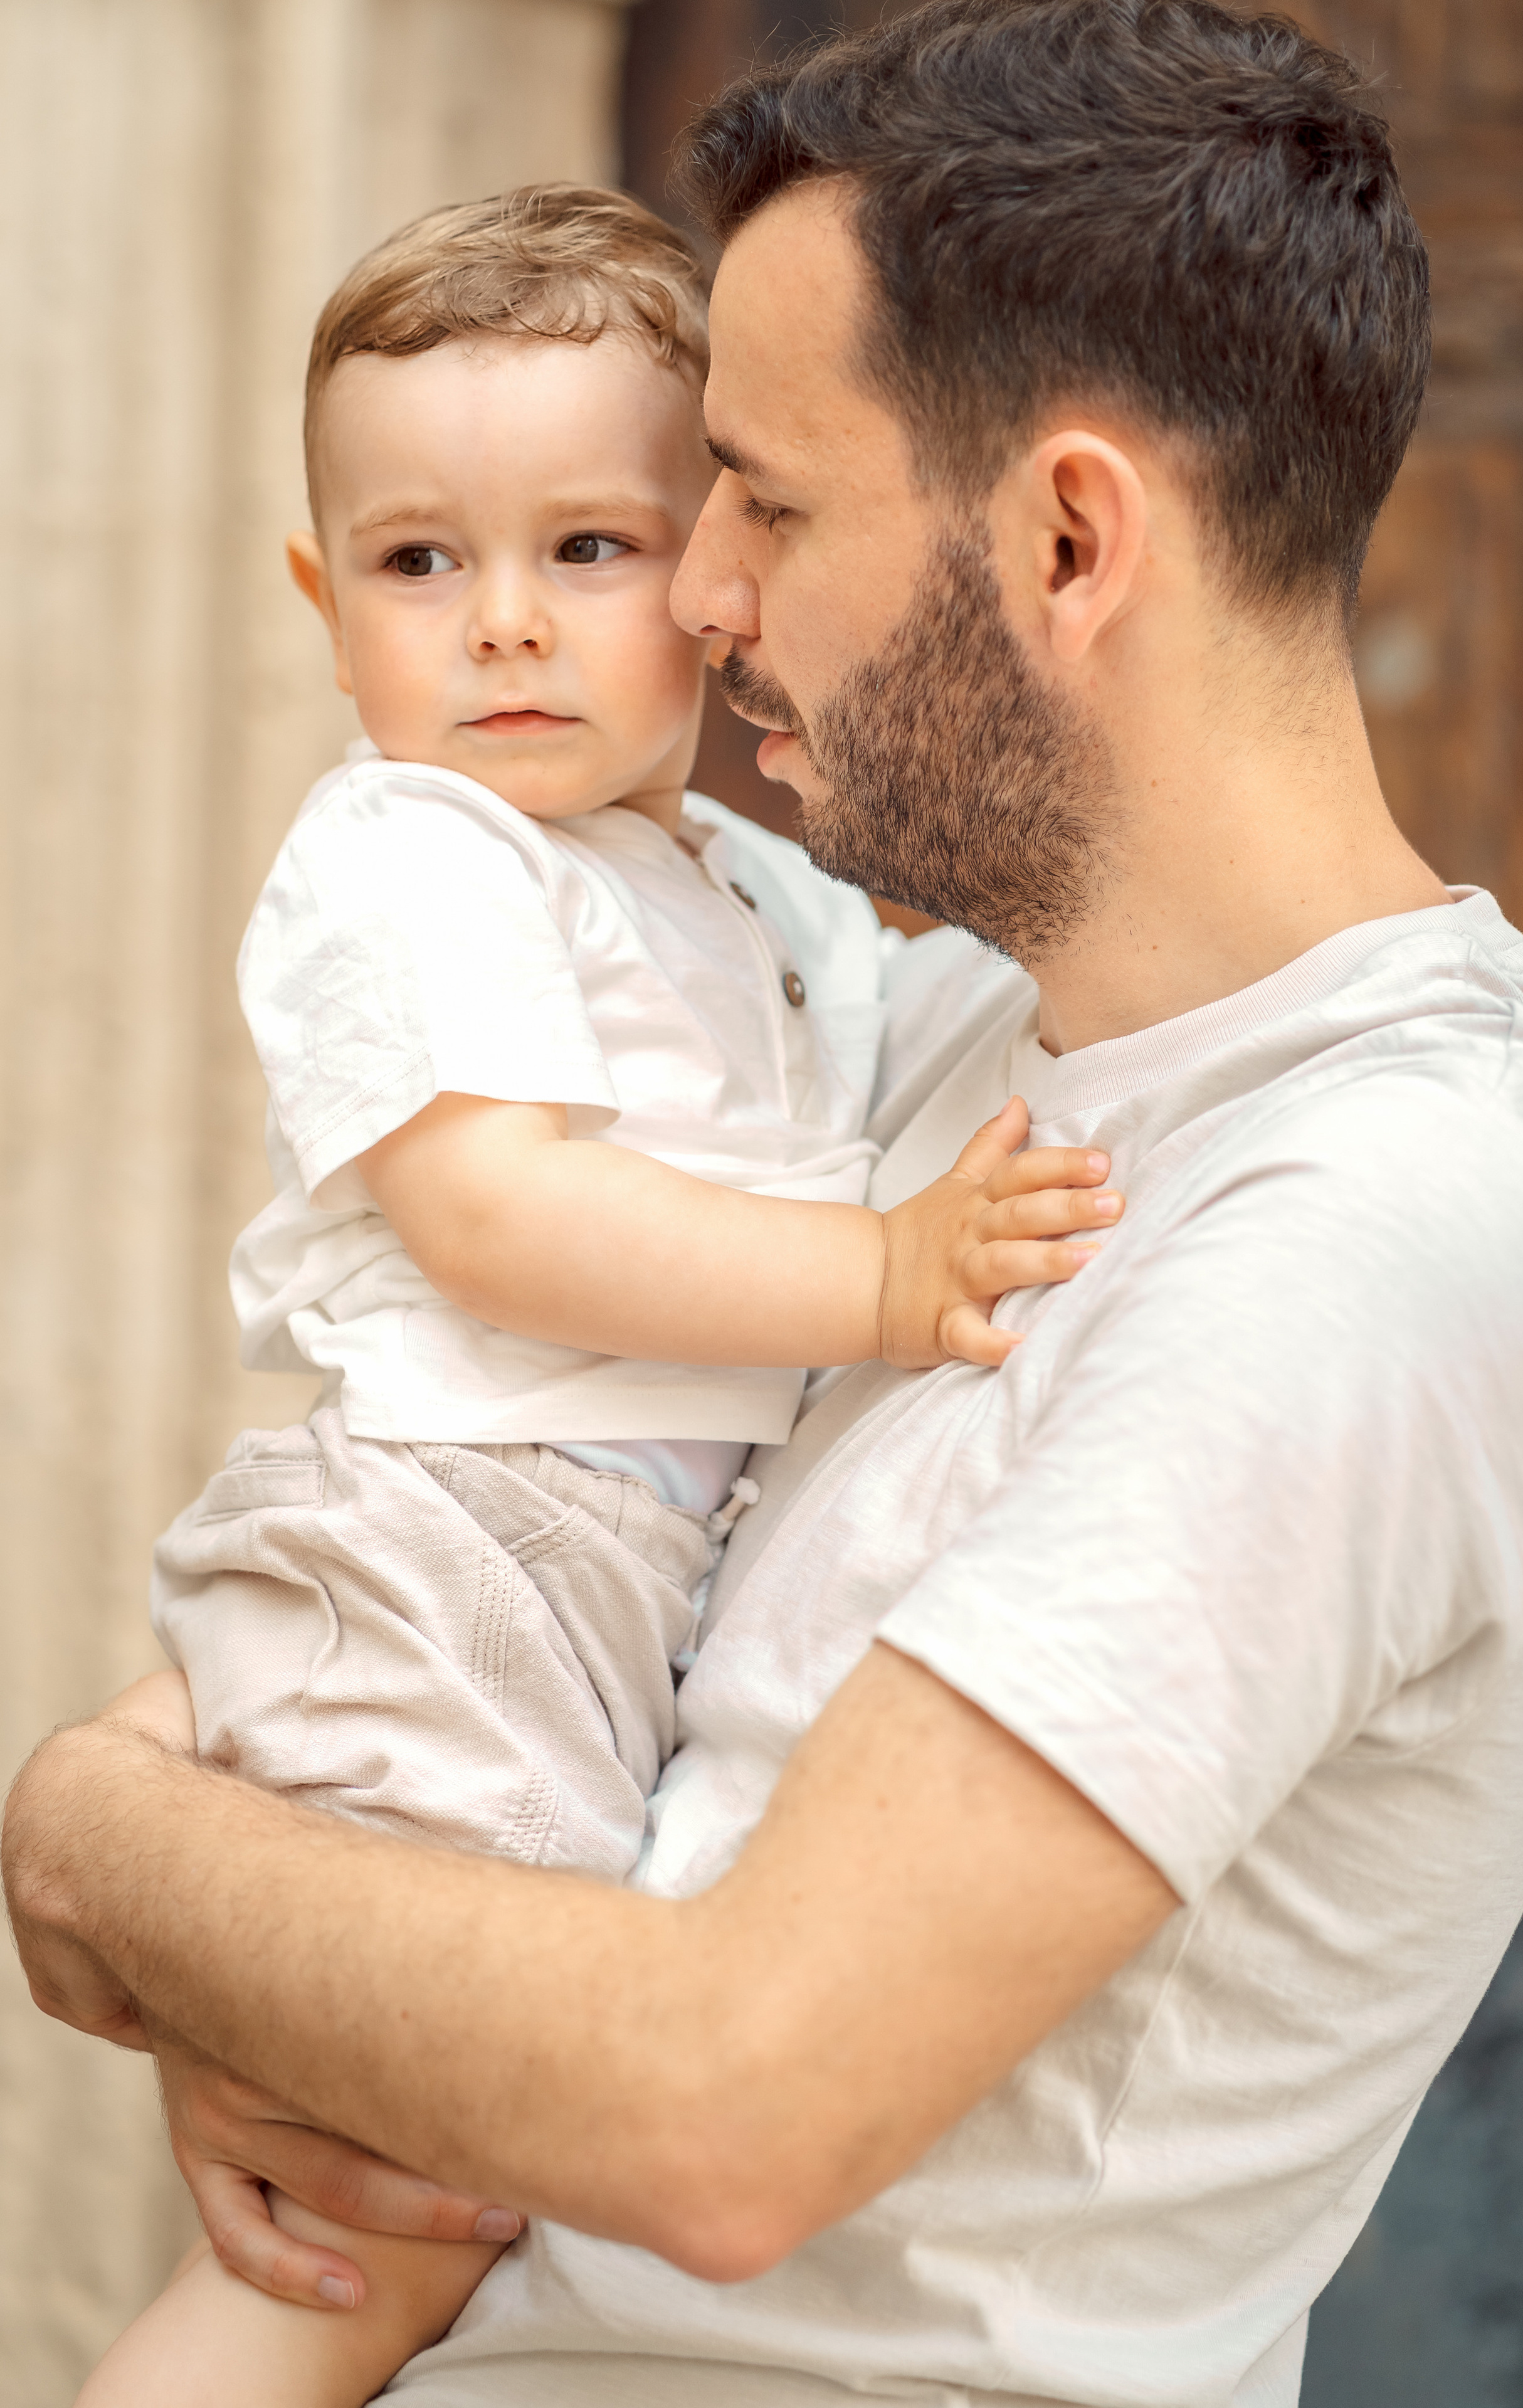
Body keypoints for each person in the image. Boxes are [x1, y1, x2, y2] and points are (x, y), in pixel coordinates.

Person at [8, 4, 1523, 2405]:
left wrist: (99, 1842)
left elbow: (721, 2106)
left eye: (758, 497)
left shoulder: (1380, 1230)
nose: (702, 595)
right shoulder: (948, 1034)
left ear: (1068, 539)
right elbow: (512, 1477)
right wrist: (264, 1905)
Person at [61, 182, 1109, 2408]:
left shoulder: (742, 887)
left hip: (600, 1575)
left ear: (720, 590)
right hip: (461, 1557)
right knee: (359, 2247)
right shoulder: (406, 857)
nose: (507, 629)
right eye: (424, 563)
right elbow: (503, 1218)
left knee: (420, 2211)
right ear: (323, 602)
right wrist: (886, 1277)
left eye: (591, 552)